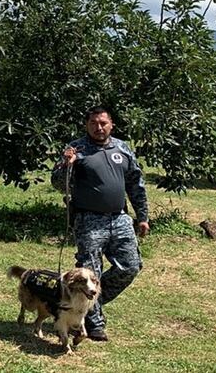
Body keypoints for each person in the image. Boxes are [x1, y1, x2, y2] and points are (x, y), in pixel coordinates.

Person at [51, 106, 149, 342]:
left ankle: (92, 300)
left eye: (103, 122)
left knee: (131, 266)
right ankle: (94, 325)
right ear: (87, 125)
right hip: (89, 220)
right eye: (94, 123)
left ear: (111, 124)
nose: (99, 127)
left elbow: (136, 183)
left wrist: (143, 216)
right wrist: (67, 165)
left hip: (120, 218)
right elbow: (58, 184)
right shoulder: (76, 149)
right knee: (89, 270)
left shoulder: (122, 148)